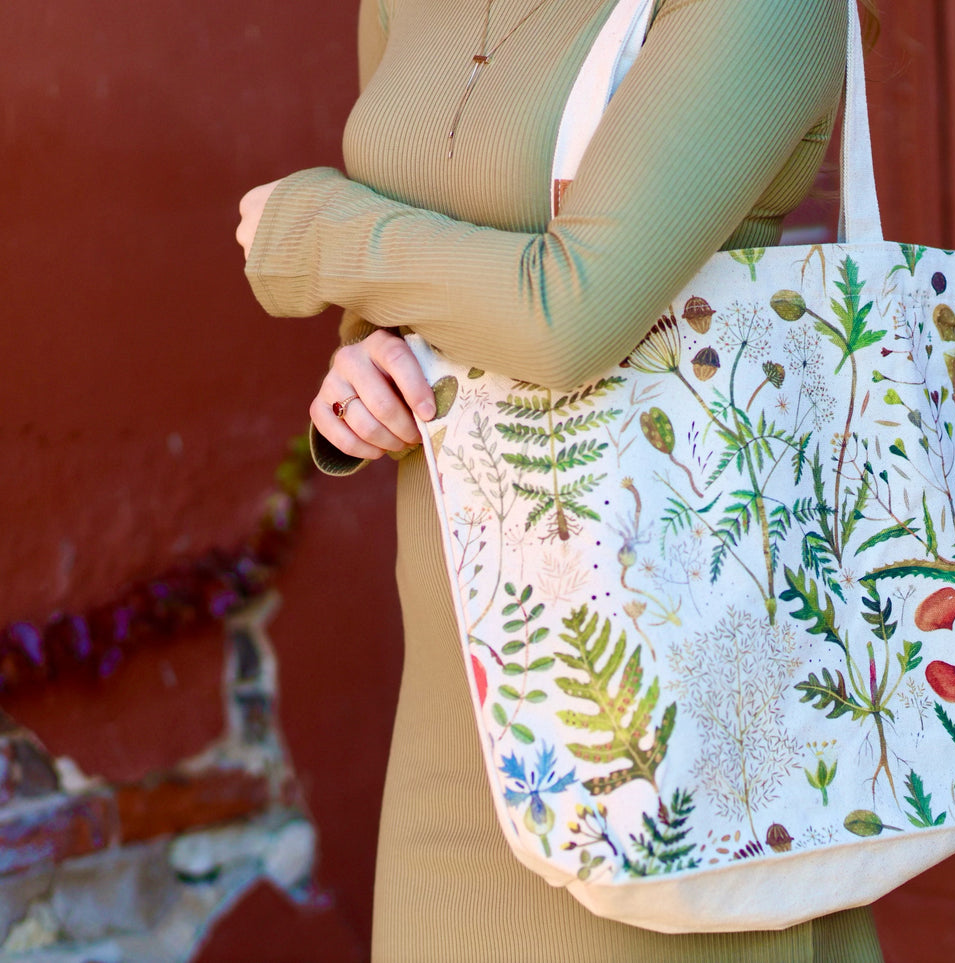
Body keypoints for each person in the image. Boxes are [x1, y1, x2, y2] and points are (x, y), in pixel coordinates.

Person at [236, 0, 885, 959]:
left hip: (675, 719)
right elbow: (416, 292)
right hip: (462, 719)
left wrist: (309, 230)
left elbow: (565, 315)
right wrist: (366, 365)